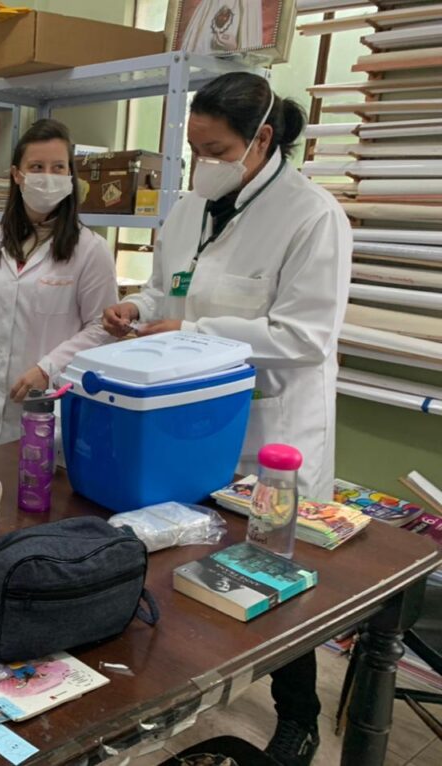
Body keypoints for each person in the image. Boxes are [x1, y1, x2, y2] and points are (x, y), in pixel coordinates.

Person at [103, 73, 351, 766]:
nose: (201, 164)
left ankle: (298, 717)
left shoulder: (312, 217)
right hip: (190, 425)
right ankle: (183, 689)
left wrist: (195, 329)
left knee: (275, 579)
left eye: (215, 151)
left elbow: (306, 338)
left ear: (262, 139)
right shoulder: (190, 208)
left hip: (272, 434)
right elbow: (168, 289)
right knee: (185, 562)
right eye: (195, 150)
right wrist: (137, 308)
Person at [0, 119, 117, 451]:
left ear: (70, 176)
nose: (48, 176)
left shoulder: (90, 249)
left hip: (50, 408)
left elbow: (103, 327)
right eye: (37, 167)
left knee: (37, 480)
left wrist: (48, 368)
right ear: (17, 174)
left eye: (58, 167)